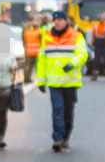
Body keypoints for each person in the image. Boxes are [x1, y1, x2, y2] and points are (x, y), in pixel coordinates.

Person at [37, 11, 88, 151]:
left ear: (66, 21)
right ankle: (57, 138)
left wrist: (72, 63)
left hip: (70, 81)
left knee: (68, 110)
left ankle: (66, 135)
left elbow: (83, 54)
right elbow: (42, 60)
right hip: (54, 82)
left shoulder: (76, 35)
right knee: (57, 109)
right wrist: (40, 81)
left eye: (60, 19)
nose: (57, 22)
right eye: (55, 20)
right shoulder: (46, 36)